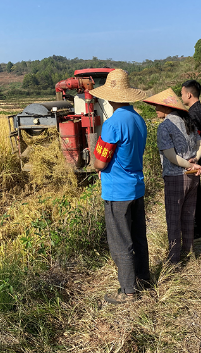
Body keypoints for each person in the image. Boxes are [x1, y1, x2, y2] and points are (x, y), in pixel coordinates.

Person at [89, 69, 150, 304]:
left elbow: (101, 162)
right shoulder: (138, 119)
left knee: (120, 242)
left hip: (118, 191)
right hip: (137, 187)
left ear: (109, 97)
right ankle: (144, 280)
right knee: (138, 237)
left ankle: (128, 292)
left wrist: (94, 161)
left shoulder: (112, 124)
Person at [143, 88, 201, 264]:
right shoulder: (188, 122)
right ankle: (188, 250)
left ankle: (174, 259)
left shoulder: (165, 126)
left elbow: (170, 156)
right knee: (188, 214)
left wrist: (189, 164)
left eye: (157, 107)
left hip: (175, 176)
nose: (155, 110)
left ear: (166, 108)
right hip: (193, 176)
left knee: (173, 218)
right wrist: (195, 161)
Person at [181, 80, 201, 239]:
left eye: (182, 93)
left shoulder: (194, 113)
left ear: (189, 94)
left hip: (195, 158)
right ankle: (198, 226)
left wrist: (192, 159)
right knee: (195, 191)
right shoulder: (199, 110)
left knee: (194, 193)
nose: (181, 96)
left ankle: (198, 228)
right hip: (197, 157)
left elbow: (194, 138)